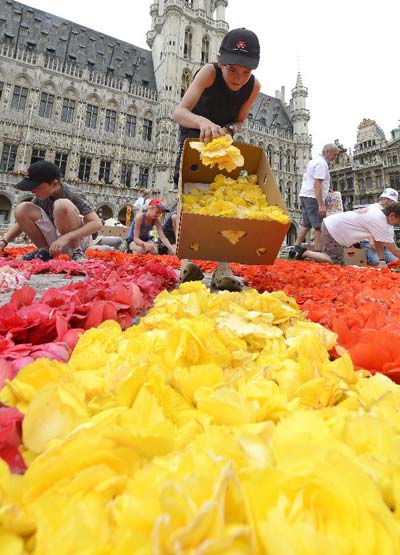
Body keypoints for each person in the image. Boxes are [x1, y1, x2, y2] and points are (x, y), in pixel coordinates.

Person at [173, 27, 261, 290]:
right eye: (233, 69)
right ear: (221, 61)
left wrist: (230, 130)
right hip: (193, 136)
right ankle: (186, 263)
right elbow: (179, 112)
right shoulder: (208, 73)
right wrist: (203, 122)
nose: (239, 78)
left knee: (225, 202)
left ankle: (223, 268)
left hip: (223, 145)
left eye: (246, 72)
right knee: (187, 198)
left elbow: (240, 121)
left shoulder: (253, 86)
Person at [0, 160, 102, 262]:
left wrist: (67, 237)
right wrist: (4, 241)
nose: (32, 191)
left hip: (78, 241)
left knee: (62, 205)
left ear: (54, 183)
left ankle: (76, 251)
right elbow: (22, 222)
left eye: (37, 187)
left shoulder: (72, 193)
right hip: (56, 244)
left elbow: (96, 224)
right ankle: (44, 251)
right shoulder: (41, 196)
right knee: (22, 208)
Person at [294, 202, 400, 267]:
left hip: (332, 225)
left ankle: (307, 253)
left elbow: (378, 241)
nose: (397, 224)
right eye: (398, 221)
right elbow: (394, 250)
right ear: (391, 215)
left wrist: (382, 260)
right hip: (334, 230)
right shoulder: (380, 221)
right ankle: (304, 252)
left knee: (336, 260)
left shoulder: (377, 209)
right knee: (336, 262)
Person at [289, 144, 339, 258]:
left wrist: (327, 189)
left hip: (305, 195)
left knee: (306, 224)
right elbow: (317, 184)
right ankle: (317, 253)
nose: (335, 157)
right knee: (319, 226)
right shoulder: (322, 164)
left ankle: (294, 249)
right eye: (334, 154)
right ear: (327, 152)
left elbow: (314, 181)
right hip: (313, 197)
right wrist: (321, 205)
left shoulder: (314, 161)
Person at [359, 188, 399, 265]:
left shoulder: (389, 212)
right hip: (369, 241)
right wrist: (371, 240)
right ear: (386, 200)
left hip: (384, 242)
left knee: (394, 261)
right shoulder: (374, 209)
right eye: (393, 202)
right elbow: (369, 226)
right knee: (375, 261)